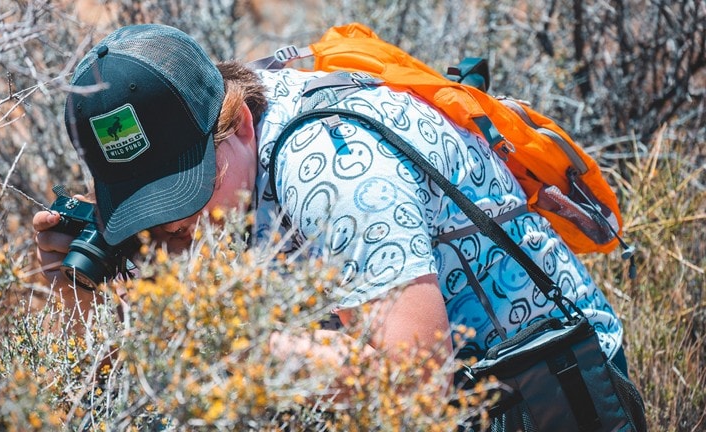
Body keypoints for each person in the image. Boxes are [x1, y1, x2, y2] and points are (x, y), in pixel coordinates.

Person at [33, 24, 628, 388]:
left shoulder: (332, 169)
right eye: (145, 201)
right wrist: (81, 296)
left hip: (557, 386)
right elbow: (119, 382)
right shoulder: (241, 146)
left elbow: (417, 387)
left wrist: (224, 342)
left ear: (240, 124)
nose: (173, 221)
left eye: (185, 187)